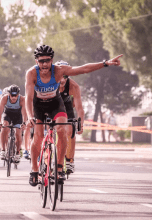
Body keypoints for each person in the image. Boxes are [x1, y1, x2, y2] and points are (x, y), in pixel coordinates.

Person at [25, 44, 123, 186]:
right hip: (38, 104)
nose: (44, 64)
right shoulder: (32, 74)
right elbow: (28, 98)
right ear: (36, 62)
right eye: (41, 61)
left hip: (55, 103)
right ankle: (34, 170)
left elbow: (83, 69)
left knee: (61, 130)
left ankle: (59, 167)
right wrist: (29, 116)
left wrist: (105, 63)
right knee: (39, 135)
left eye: (47, 60)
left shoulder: (59, 71)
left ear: (52, 60)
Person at [56, 60, 85, 174]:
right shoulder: (49, 83)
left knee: (71, 129)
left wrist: (80, 123)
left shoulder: (73, 86)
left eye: (65, 76)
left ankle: (69, 160)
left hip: (66, 107)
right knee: (47, 129)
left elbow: (79, 108)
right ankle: (46, 157)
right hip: (51, 105)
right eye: (60, 76)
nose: (62, 80)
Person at [0, 85, 27, 163]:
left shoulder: (22, 99)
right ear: (9, 94)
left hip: (18, 116)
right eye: (12, 95)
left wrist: (24, 123)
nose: (14, 97)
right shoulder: (4, 98)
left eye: (15, 95)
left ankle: (17, 153)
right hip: (7, 114)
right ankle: (3, 150)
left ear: (18, 94)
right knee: (4, 127)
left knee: (18, 133)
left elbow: (24, 113)